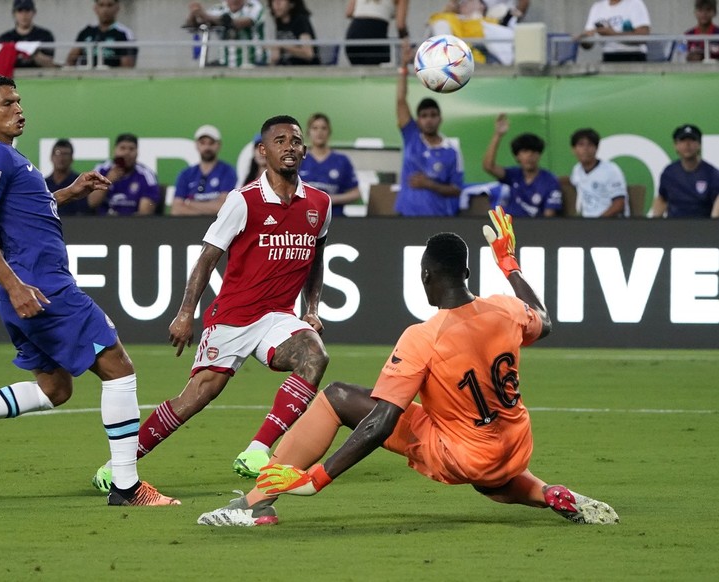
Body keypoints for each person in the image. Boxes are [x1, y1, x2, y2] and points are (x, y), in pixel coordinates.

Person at [198, 208, 619, 527]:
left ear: (425, 276)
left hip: (460, 454)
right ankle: (547, 492)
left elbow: (380, 423)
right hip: (515, 445)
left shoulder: (423, 337)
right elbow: (544, 320)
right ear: (467, 272)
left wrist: (318, 478)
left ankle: (255, 504)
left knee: (338, 397)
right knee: (491, 479)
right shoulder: (506, 310)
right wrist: (509, 263)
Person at [0, 74, 178, 508]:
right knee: (119, 368)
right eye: (7, 103)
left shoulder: (10, 157)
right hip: (40, 286)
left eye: (19, 101)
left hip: (27, 289)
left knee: (55, 389)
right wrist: (15, 284)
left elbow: (23, 211)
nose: (19, 109)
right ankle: (127, 487)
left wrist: (68, 193)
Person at [91, 115, 332, 493]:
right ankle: (118, 465)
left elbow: (316, 258)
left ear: (304, 150)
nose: (290, 147)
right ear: (263, 151)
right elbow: (207, 258)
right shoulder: (243, 201)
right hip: (234, 317)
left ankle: (257, 451)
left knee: (314, 356)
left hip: (278, 317)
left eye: (295, 141)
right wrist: (185, 313)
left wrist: (312, 308)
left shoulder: (320, 202)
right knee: (197, 396)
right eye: (280, 140)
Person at [394, 45, 464, 217]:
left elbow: (457, 189)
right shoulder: (412, 137)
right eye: (424, 116)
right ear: (418, 120)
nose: (429, 120)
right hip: (405, 216)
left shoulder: (452, 151)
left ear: (440, 118)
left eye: (433, 115)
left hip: (437, 218)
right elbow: (401, 100)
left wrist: (430, 184)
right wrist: (404, 66)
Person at [482, 113, 562, 218]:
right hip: (509, 224)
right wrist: (498, 135)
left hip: (533, 226)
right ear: (517, 156)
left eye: (534, 152)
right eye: (525, 151)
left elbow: (549, 217)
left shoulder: (550, 181)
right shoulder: (513, 175)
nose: (530, 156)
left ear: (539, 155)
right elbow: (488, 166)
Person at [650, 124, 719, 218]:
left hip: (702, 224)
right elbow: (662, 199)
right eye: (683, 140)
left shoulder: (712, 173)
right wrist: (655, 222)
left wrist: (713, 223)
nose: (687, 144)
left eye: (692, 140)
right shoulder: (669, 173)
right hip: (674, 225)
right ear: (676, 145)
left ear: (699, 145)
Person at [300, 113, 360, 217]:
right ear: (308, 132)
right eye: (315, 128)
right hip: (303, 218)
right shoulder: (300, 160)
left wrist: (331, 199)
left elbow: (355, 193)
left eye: (323, 128)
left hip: (335, 218)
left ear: (329, 132)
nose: (319, 132)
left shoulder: (342, 161)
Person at [171, 125, 238, 216]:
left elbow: (224, 206)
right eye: (202, 143)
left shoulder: (227, 171)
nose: (207, 147)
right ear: (196, 145)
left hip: (218, 223)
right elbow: (176, 209)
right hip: (189, 223)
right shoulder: (186, 174)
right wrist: (206, 211)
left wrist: (189, 203)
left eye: (211, 143)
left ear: (218, 145)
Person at [89, 133, 161, 216]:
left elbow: (144, 214)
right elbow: (92, 203)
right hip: (102, 221)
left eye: (131, 149)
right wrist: (107, 181)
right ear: (114, 150)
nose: (127, 153)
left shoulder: (147, 175)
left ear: (137, 153)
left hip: (134, 222)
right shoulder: (101, 170)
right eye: (122, 148)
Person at [185, 0, 267, 67]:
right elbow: (193, 25)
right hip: (225, 63)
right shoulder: (218, 8)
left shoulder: (254, 6)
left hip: (254, 63)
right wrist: (194, 12)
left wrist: (205, 16)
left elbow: (240, 23)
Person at [569, 128, 628, 218]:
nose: (585, 149)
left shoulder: (611, 170)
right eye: (581, 145)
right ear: (573, 150)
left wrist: (598, 222)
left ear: (596, 148)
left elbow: (619, 204)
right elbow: (572, 180)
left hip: (610, 221)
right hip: (586, 222)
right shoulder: (577, 169)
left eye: (590, 145)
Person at [66, 0, 136, 68]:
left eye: (109, 5)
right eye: (101, 5)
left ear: (117, 8)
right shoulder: (87, 31)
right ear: (95, 8)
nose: (105, 10)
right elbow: (71, 60)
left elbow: (127, 68)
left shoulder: (125, 34)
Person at [577, 0, 651, 63]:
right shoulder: (597, 7)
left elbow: (643, 36)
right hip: (608, 56)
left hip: (634, 56)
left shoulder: (635, 3)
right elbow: (588, 45)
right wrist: (584, 38)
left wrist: (613, 34)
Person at [344, 0, 408, 65]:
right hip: (375, 33)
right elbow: (400, 26)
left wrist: (367, 10)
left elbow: (349, 12)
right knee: (374, 66)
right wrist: (406, 42)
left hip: (354, 34)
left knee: (358, 65)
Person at [0, 0, 56, 68]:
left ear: (34, 12)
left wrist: (33, 53)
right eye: (20, 11)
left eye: (27, 10)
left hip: (38, 74)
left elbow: (50, 64)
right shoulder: (5, 38)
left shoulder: (45, 35)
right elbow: (0, 64)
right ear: (14, 14)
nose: (24, 15)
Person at [45, 139, 94, 216]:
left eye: (66, 154)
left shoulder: (80, 183)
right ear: (51, 157)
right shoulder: (43, 184)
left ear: (72, 158)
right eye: (58, 153)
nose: (61, 158)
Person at [269, 0, 319, 66]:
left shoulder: (300, 20)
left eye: (281, 0)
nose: (277, 4)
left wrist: (282, 46)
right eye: (273, 1)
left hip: (305, 67)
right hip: (286, 66)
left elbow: (308, 54)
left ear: (291, 3)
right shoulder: (279, 22)